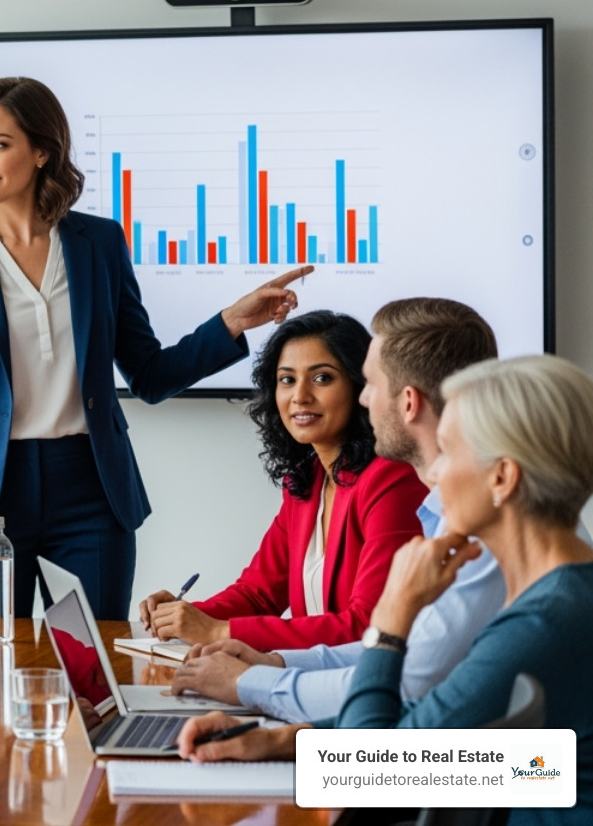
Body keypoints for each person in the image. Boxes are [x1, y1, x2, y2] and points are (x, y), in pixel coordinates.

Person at [0, 76, 312, 622]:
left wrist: (232, 321)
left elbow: (148, 373)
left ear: (42, 152)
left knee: (92, 662)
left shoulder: (98, 244)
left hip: (89, 489)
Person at [178, 355, 593, 824]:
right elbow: (488, 755)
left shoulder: (545, 622)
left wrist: (392, 621)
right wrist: (277, 740)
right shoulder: (562, 596)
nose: (432, 475)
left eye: (447, 451)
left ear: (502, 477)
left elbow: (370, 773)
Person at [170, 298, 506, 719]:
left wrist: (248, 680)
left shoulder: (455, 510)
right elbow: (382, 648)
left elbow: (396, 665)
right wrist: (260, 656)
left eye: (368, 384)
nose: (365, 399)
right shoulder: (314, 480)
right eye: (286, 380)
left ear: (407, 401)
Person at [139, 310, 429, 648]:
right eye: (287, 380)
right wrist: (183, 616)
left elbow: (371, 625)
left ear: (359, 386)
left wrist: (219, 632)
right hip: (311, 672)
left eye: (322, 378)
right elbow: (258, 595)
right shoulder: (307, 480)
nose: (299, 396)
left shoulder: (392, 478)